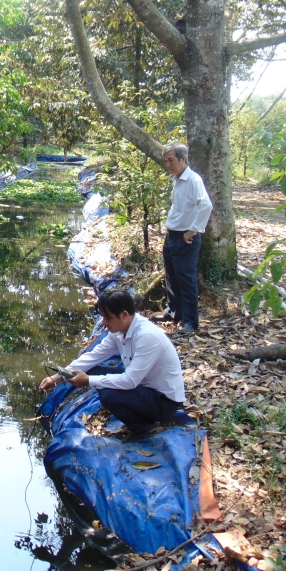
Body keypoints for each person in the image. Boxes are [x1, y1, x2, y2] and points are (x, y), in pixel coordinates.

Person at [39, 290, 185, 438]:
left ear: (124, 315)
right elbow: (94, 356)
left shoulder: (146, 336)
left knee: (108, 394)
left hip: (163, 401)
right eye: (102, 317)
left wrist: (88, 380)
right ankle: (138, 417)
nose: (104, 322)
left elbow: (130, 381)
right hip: (144, 384)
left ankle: (141, 427)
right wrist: (59, 376)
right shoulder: (119, 331)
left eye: (108, 318)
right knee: (92, 370)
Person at [154, 142, 212, 333]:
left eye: (171, 160)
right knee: (171, 277)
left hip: (186, 238)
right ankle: (174, 312)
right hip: (172, 236)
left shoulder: (193, 180)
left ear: (183, 159)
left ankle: (191, 322)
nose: (168, 165)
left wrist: (192, 230)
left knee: (186, 279)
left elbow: (206, 206)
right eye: (165, 161)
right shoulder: (176, 180)